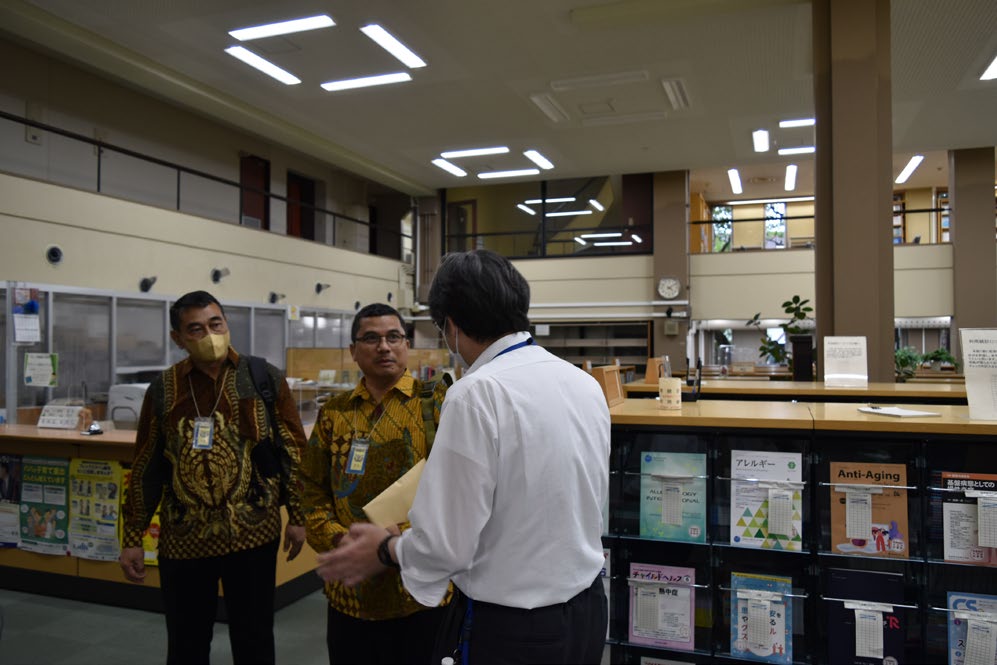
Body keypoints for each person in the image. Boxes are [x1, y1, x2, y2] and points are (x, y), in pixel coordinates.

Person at [316, 250, 611, 664]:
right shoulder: (582, 382)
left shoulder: (475, 394)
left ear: (451, 326)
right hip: (588, 608)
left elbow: (445, 546)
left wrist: (387, 549)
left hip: (513, 626)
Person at [119, 290, 307, 665]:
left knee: (254, 640)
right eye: (195, 329)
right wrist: (132, 537)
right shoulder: (163, 389)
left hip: (253, 534)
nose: (209, 334)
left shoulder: (262, 377)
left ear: (226, 324)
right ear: (178, 339)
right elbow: (146, 466)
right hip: (184, 539)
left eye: (215, 323)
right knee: (187, 644)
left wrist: (299, 517)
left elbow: (294, 450)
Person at [300, 303, 450, 665]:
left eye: (393, 337)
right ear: (353, 350)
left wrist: (394, 546)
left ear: (406, 345)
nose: (384, 346)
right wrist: (343, 542)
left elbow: (455, 491)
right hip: (351, 598)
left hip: (420, 592)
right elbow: (312, 490)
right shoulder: (334, 412)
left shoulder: (438, 405)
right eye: (371, 338)